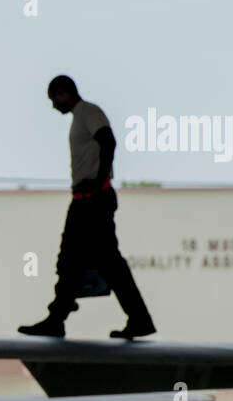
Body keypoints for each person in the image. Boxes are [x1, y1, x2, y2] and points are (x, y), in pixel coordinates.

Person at [19, 75, 155, 339]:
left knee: (102, 262)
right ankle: (58, 319)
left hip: (93, 199)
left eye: (53, 99)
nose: (53, 106)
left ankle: (137, 318)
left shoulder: (88, 112)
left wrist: (99, 179)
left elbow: (108, 140)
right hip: (85, 199)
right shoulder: (79, 117)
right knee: (74, 261)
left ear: (63, 93)